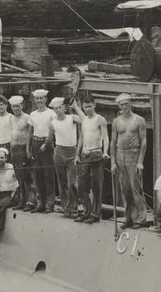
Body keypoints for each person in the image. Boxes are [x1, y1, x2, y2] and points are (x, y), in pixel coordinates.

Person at [110, 94, 150, 228]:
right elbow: (113, 142)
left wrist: (140, 161)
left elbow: (144, 141)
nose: (125, 107)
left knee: (136, 188)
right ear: (119, 106)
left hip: (133, 154)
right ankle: (129, 217)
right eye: (122, 105)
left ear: (131, 104)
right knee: (125, 189)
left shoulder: (139, 120)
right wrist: (113, 162)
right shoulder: (116, 121)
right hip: (120, 155)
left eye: (127, 104)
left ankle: (140, 218)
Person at [76, 95, 108, 223]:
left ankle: (95, 214)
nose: (88, 109)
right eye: (85, 106)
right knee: (81, 185)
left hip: (96, 154)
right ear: (82, 106)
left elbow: (105, 137)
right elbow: (81, 138)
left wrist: (105, 152)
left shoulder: (100, 119)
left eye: (90, 106)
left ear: (94, 105)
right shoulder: (84, 120)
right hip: (85, 154)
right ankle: (86, 211)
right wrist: (77, 154)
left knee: (96, 186)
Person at [27, 88, 56, 213]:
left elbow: (53, 131)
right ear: (34, 100)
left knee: (48, 174)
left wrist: (47, 143)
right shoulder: (32, 114)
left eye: (41, 98)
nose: (39, 100)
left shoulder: (51, 114)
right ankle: (41, 202)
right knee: (37, 175)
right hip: (35, 142)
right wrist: (28, 148)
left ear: (46, 99)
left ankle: (50, 203)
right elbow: (30, 132)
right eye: (37, 98)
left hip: (47, 143)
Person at [51, 96, 80, 217]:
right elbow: (49, 138)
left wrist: (76, 107)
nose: (58, 110)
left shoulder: (71, 118)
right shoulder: (52, 123)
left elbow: (85, 120)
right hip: (59, 151)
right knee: (61, 182)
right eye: (55, 108)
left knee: (72, 183)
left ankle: (74, 208)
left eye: (60, 107)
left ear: (64, 107)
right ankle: (65, 207)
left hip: (72, 151)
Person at [7, 95, 34, 210]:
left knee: (27, 176)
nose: (16, 109)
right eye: (13, 107)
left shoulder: (27, 118)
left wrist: (28, 149)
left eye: (17, 106)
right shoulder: (11, 118)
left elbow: (30, 134)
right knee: (19, 177)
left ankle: (31, 201)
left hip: (23, 148)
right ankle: (22, 201)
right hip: (14, 149)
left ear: (22, 105)